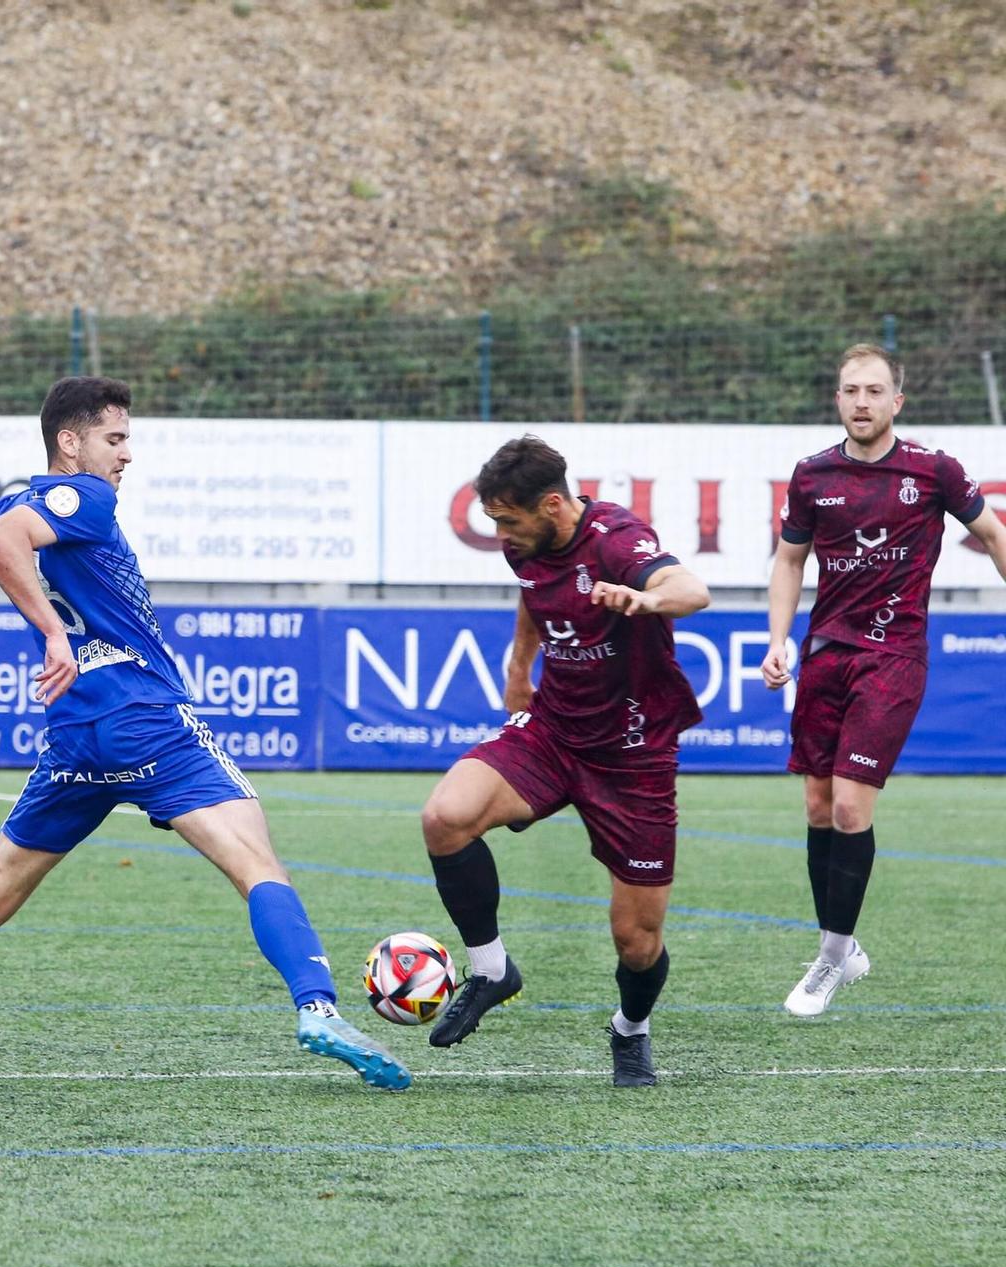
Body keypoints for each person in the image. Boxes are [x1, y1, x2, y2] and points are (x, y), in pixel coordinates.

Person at [0, 376, 411, 1091]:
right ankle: (316, 1006)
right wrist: (54, 630)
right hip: (145, 720)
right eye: (115, 439)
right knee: (258, 865)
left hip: (76, 741)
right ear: (71, 441)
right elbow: (0, 539)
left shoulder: (7, 503)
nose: (125, 456)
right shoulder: (85, 496)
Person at [417, 437, 711, 1086]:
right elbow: (534, 594)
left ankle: (630, 1029)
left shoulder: (615, 540)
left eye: (507, 520)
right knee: (445, 816)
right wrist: (520, 666)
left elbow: (692, 588)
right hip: (552, 731)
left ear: (552, 505)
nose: (500, 534)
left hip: (633, 755)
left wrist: (649, 598)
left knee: (637, 941)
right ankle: (492, 968)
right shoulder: (527, 545)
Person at [761, 344, 1006, 1016]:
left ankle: (830, 959)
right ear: (837, 399)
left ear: (897, 401)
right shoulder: (812, 475)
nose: (861, 401)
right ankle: (843, 944)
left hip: (893, 656)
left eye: (874, 390)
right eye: (850, 390)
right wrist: (778, 639)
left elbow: (990, 531)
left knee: (848, 807)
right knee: (816, 805)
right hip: (826, 653)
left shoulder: (933, 470)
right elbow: (789, 561)